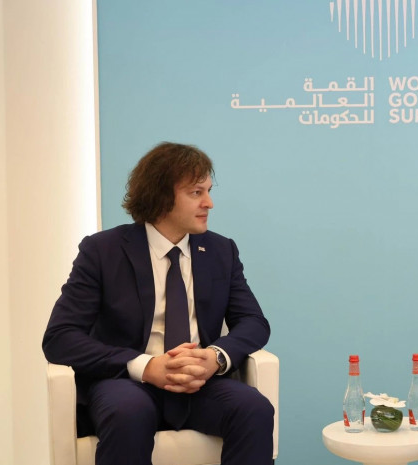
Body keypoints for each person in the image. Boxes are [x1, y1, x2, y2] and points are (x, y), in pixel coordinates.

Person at [43, 142, 273, 465]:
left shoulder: (221, 251)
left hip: (200, 384)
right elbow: (60, 338)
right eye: (196, 193)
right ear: (162, 196)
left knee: (254, 409)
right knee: (127, 413)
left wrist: (214, 357)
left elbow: (253, 322)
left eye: (208, 191)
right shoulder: (102, 251)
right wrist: (146, 366)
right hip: (127, 382)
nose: (209, 203)